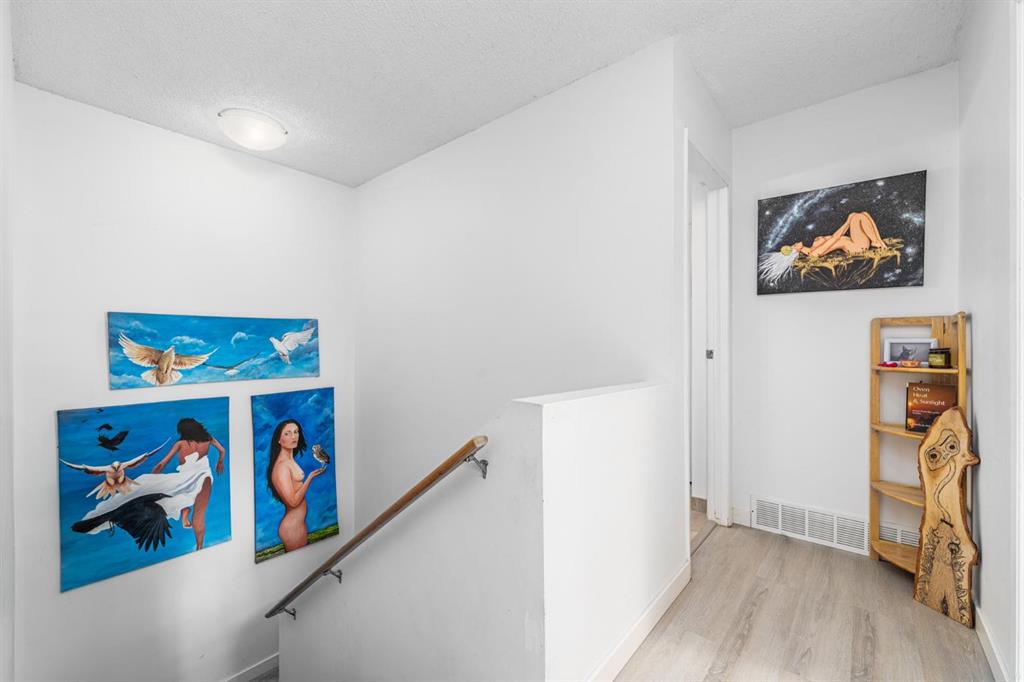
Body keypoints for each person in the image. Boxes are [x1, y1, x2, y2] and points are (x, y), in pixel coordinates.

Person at [151, 417, 226, 550]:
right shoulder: (208, 439)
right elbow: (222, 450)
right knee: (199, 516)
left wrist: (151, 479)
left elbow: (162, 463)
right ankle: (199, 547)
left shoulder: (180, 444)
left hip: (185, 479)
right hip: (204, 477)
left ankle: (184, 511)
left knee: (178, 494)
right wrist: (219, 462)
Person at [267, 419, 326, 551]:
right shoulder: (282, 467)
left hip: (298, 524)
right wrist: (310, 477)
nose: (293, 436)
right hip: (291, 527)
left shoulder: (290, 460)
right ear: (279, 439)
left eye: (296, 432)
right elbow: (293, 502)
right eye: (287, 433)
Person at [785, 211, 886, 258]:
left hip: (854, 242)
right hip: (857, 247)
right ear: (795, 251)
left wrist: (848, 221)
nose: (794, 244)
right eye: (793, 246)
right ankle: (876, 241)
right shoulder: (814, 253)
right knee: (857, 217)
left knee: (862, 214)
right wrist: (847, 223)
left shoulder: (812, 248)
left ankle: (878, 240)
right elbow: (835, 238)